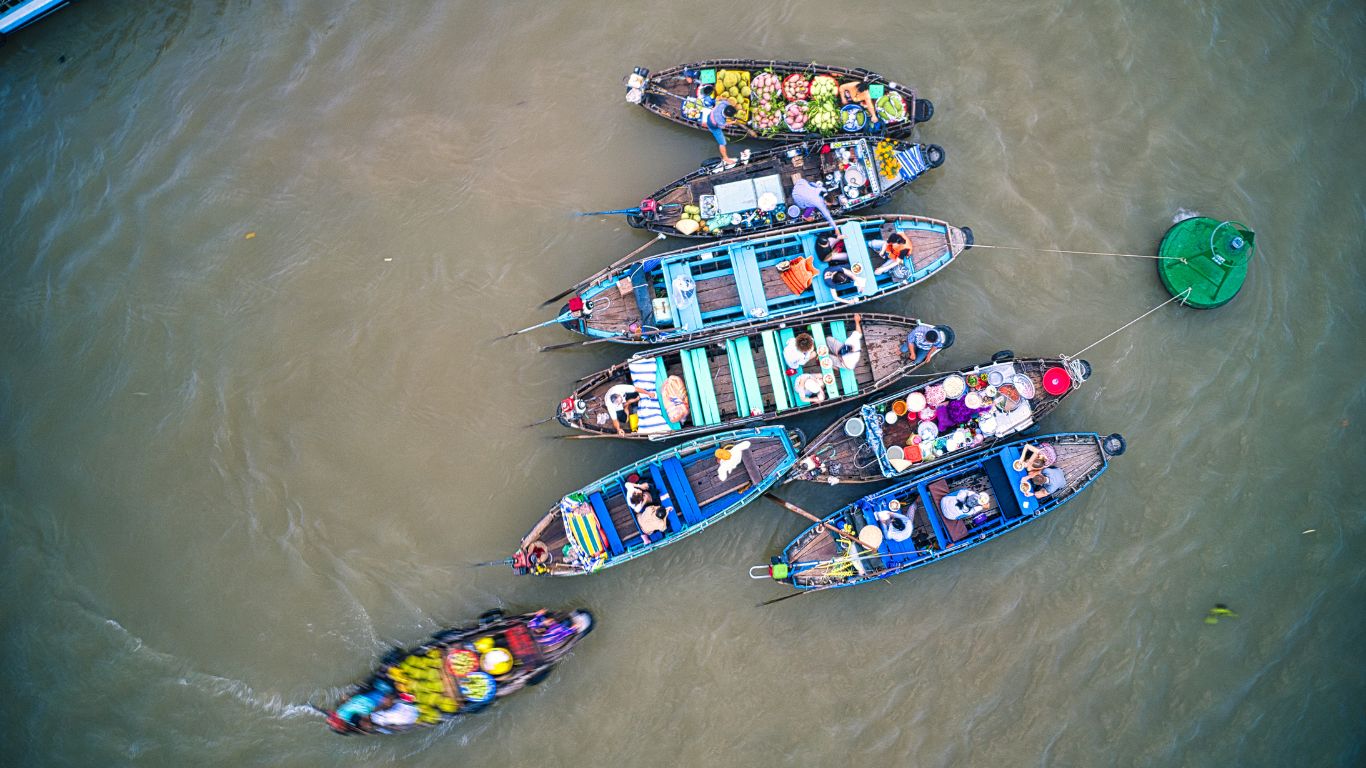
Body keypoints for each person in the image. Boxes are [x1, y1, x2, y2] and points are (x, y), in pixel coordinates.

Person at [702, 99, 756, 166]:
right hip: (714, 126)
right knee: (722, 142)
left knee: (708, 121)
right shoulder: (720, 120)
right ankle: (725, 158)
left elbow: (724, 100)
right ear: (728, 116)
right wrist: (732, 122)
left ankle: (706, 124)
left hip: (710, 116)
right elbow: (723, 126)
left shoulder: (723, 104)